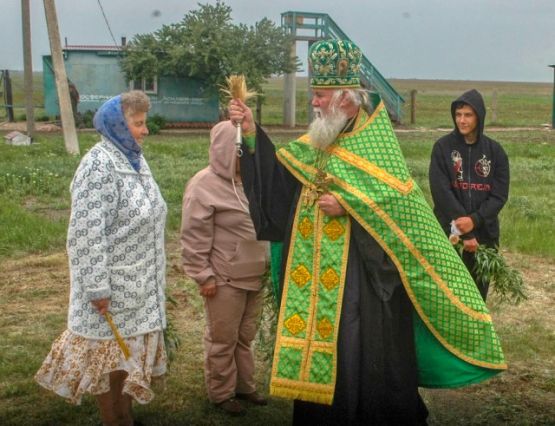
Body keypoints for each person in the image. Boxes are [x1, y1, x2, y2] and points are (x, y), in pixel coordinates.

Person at [229, 39, 507, 425]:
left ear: (346, 99)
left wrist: (350, 206)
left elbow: (399, 209)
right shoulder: (319, 141)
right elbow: (280, 189)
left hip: (365, 289)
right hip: (315, 291)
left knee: (362, 362)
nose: (314, 103)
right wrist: (252, 133)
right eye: (313, 95)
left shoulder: (377, 145)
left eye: (320, 96)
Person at [35, 90, 167, 426]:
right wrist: (97, 288)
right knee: (108, 363)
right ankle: (115, 420)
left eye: (144, 122)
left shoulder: (134, 159)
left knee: (127, 358)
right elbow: (86, 233)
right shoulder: (98, 165)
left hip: (138, 287)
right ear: (116, 126)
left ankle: (126, 417)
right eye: (138, 124)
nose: (145, 130)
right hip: (111, 293)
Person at [180, 120, 269, 416]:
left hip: (255, 275)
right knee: (223, 338)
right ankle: (221, 393)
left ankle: (245, 386)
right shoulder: (204, 185)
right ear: (226, 150)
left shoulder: (253, 181)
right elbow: (193, 235)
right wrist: (203, 275)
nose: (246, 157)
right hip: (224, 278)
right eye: (241, 151)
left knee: (245, 336)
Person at [429, 89, 510, 301]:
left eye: (468, 115)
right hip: (450, 233)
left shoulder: (495, 152)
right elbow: (441, 192)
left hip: (485, 235)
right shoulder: (442, 148)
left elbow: (499, 195)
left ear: (479, 116)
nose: (462, 120)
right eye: (458, 115)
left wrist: (475, 221)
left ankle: (476, 333)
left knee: (477, 293)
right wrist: (465, 232)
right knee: (448, 293)